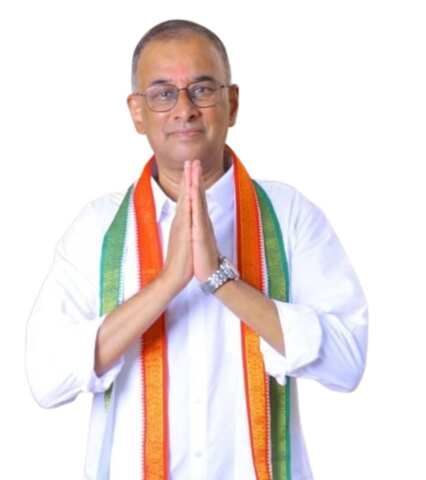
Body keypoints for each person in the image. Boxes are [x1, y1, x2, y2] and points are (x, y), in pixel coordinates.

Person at [25, 19, 368, 480]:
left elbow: (348, 363)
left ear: (233, 103)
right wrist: (169, 282)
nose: (184, 109)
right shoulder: (97, 228)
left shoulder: (290, 216)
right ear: (137, 112)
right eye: (163, 93)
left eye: (202, 90)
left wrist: (222, 281)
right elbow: (46, 379)